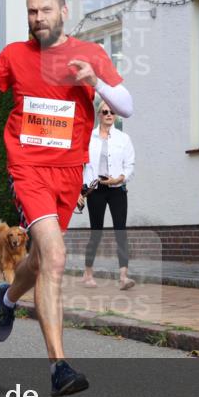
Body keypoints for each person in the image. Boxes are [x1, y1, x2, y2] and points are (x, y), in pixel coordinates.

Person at [0, 0, 134, 396]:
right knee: (56, 256)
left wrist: (96, 81)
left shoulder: (90, 54)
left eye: (45, 10)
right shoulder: (15, 55)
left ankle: (7, 299)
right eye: (31, 12)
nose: (37, 18)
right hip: (28, 170)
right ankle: (59, 366)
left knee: (40, 261)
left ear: (63, 11)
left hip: (69, 174)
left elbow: (127, 105)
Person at [80, 102, 136, 290]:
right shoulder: (89, 138)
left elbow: (130, 165)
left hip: (117, 189)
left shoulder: (123, 138)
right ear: (99, 114)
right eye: (105, 111)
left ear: (116, 115)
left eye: (112, 111)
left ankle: (124, 277)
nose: (109, 114)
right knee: (96, 232)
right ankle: (88, 273)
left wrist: (120, 178)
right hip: (96, 190)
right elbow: (82, 165)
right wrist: (82, 190)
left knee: (121, 230)